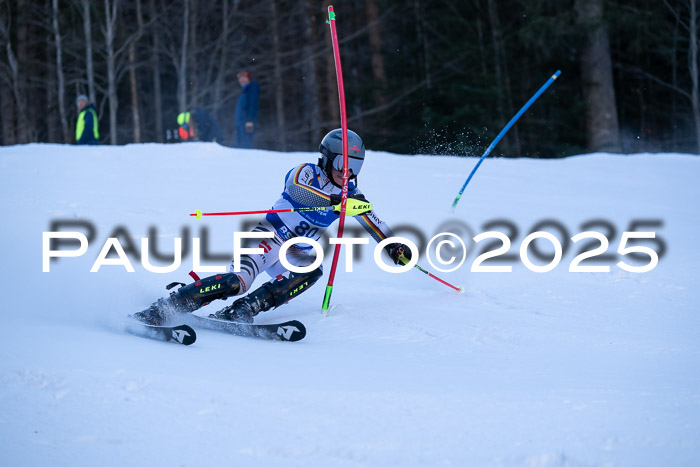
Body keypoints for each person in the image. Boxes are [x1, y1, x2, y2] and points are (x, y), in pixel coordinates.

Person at [134, 129, 412, 325]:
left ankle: (245, 309)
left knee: (311, 270)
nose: (347, 171)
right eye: (341, 163)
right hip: (267, 238)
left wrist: (393, 246)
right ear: (327, 159)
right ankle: (166, 307)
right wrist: (334, 201)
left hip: (295, 252)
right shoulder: (306, 172)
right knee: (236, 282)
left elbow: (373, 221)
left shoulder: (351, 193)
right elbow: (298, 189)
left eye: (355, 166)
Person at [234, 70, 259, 148]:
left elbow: (253, 104)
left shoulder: (252, 88)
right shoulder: (244, 92)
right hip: (240, 123)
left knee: (245, 146)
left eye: (244, 77)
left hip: (247, 122)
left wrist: (250, 120)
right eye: (240, 78)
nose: (242, 79)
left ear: (248, 78)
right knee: (239, 145)